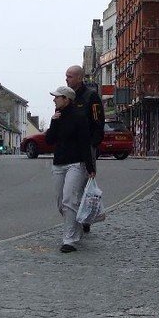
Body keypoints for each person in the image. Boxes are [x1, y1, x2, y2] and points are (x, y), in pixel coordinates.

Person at [44, 86, 96, 253]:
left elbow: (84, 143)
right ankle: (78, 224)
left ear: (66, 99)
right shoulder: (57, 117)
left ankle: (69, 239)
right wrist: (53, 121)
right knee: (60, 202)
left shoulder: (79, 117)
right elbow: (50, 140)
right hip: (59, 163)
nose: (54, 100)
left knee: (69, 199)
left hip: (76, 163)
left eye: (57, 97)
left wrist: (90, 167)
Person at [66, 65, 104, 232]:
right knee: (73, 188)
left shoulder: (91, 96)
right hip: (70, 148)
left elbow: (98, 121)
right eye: (66, 76)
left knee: (85, 184)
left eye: (70, 76)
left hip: (87, 146)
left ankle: (86, 217)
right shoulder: (67, 97)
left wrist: (93, 144)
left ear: (80, 78)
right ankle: (79, 218)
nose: (66, 79)